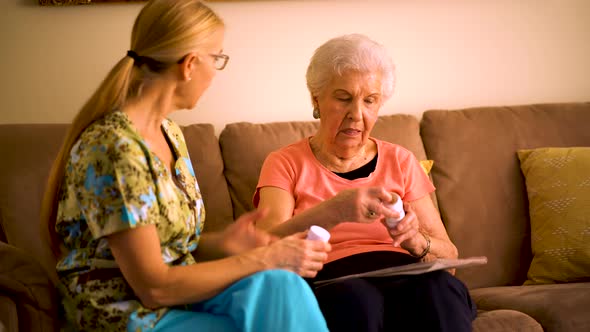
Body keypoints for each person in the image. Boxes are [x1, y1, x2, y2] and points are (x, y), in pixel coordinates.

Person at [39, 1, 331, 331]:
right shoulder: (115, 149)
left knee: (282, 285)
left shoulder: (170, 133)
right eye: (217, 58)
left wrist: (225, 244)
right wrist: (264, 258)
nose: (216, 73)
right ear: (190, 65)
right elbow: (153, 286)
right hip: (124, 312)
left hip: (178, 297)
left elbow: (170, 246)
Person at [254, 33, 477, 332]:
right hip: (333, 279)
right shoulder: (285, 162)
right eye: (343, 98)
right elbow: (262, 249)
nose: (356, 114)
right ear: (316, 98)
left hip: (408, 275)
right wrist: (334, 210)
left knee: (440, 290)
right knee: (355, 300)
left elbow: (449, 259)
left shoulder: (401, 160)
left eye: (369, 101)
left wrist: (415, 240)